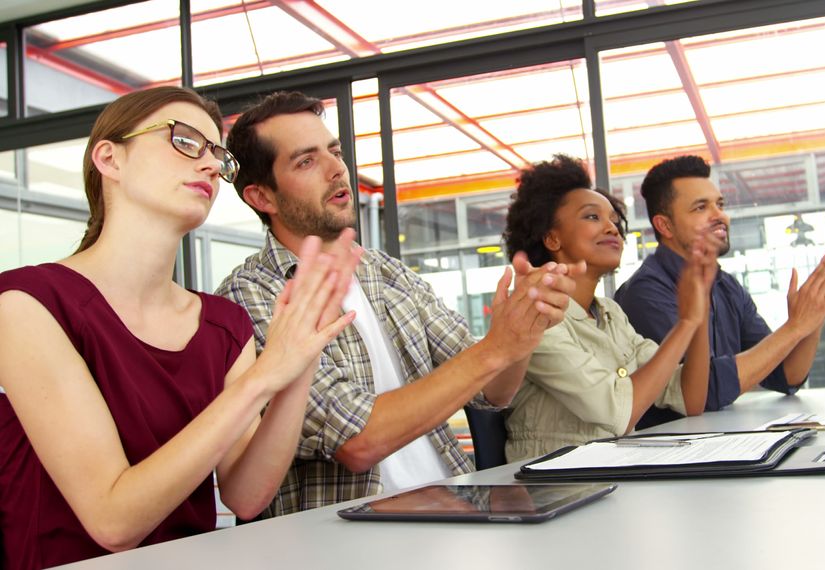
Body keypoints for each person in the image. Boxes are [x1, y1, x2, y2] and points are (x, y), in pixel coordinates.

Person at [0, 87, 357, 570]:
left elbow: (247, 496)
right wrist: (264, 374)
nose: (211, 165)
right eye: (185, 141)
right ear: (110, 158)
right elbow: (113, 521)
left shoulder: (221, 324)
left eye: (218, 154)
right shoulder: (26, 302)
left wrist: (302, 352)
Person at [216, 91, 576, 516]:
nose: (337, 170)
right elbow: (357, 441)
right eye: (306, 161)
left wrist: (520, 334)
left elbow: (491, 392)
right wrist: (496, 347)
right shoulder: (250, 295)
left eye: (334, 151)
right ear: (262, 198)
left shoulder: (387, 273)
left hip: (459, 505)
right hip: (348, 541)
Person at [614, 155, 825, 428]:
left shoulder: (726, 286)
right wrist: (795, 327)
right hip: (671, 453)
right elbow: (703, 393)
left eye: (720, 204)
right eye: (701, 207)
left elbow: (785, 375)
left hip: (720, 440)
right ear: (665, 226)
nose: (719, 216)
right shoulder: (645, 293)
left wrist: (815, 315)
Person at [500, 154, 720, 462]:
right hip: (555, 493)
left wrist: (697, 315)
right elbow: (620, 411)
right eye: (592, 217)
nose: (612, 228)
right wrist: (686, 322)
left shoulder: (611, 314)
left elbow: (690, 397)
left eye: (614, 221)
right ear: (551, 237)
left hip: (613, 478)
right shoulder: (537, 319)